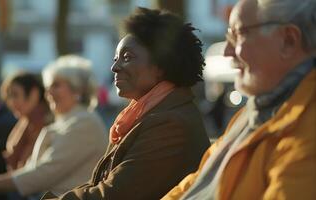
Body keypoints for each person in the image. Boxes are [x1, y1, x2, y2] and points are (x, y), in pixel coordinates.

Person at [41, 7, 211, 200]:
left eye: (127, 57)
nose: (114, 67)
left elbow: (114, 194)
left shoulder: (170, 122)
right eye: (116, 58)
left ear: (162, 65)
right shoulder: (146, 114)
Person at [163, 0, 316, 199]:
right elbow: (196, 184)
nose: (227, 52)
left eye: (239, 34)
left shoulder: (307, 127)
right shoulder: (255, 111)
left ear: (288, 40)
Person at [0, 55, 108, 200]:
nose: (49, 92)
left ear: (78, 90)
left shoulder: (84, 122)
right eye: (48, 86)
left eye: (56, 85)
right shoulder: (65, 121)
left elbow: (44, 173)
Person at [1, 72, 53, 171]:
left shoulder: (44, 122)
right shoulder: (25, 120)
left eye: (15, 95)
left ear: (34, 94)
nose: (11, 102)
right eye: (8, 97)